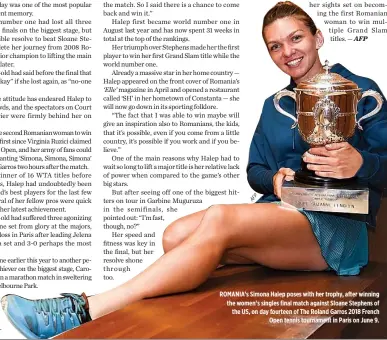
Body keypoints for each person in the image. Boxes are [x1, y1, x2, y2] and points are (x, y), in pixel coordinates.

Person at [2, 1, 387, 339]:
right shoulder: (275, 105)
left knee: (218, 220)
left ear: (317, 38)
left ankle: (84, 308)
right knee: (175, 236)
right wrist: (273, 180)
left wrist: (361, 162)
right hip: (283, 213)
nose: (287, 51)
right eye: (275, 45)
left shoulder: (362, 90)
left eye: (296, 38)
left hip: (338, 225)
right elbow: (254, 169)